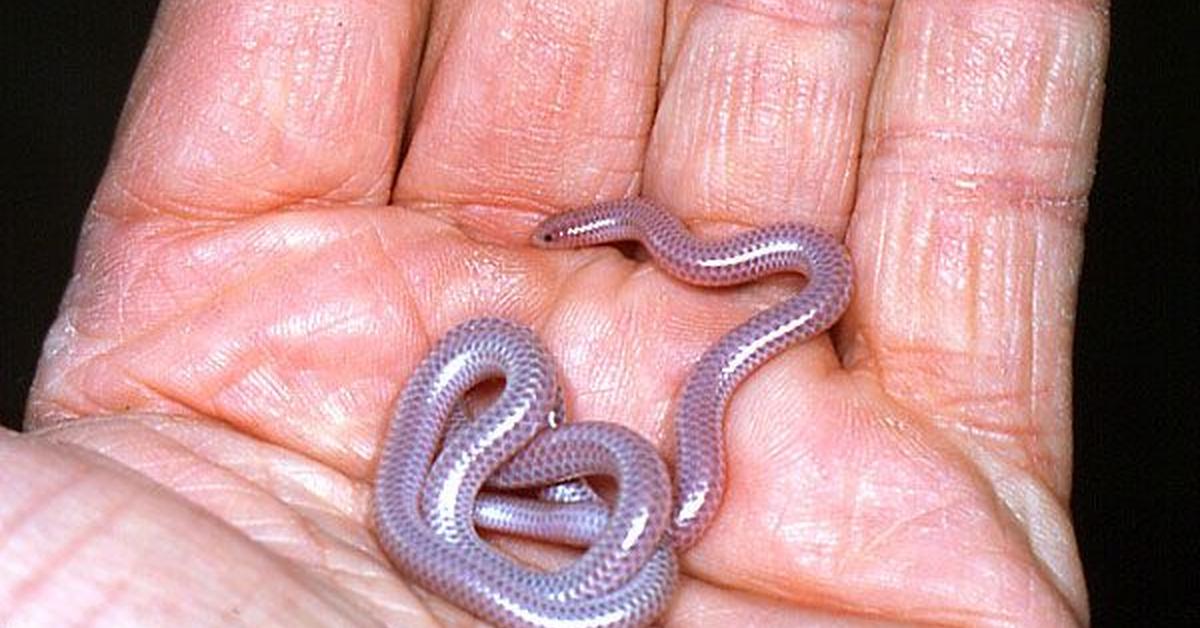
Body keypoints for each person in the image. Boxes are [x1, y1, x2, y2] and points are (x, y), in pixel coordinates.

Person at [1, 0, 1105, 624]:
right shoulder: (524, 455)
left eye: (578, 230)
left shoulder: (599, 435)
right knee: (550, 490)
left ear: (611, 229)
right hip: (508, 518)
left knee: (605, 477)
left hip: (510, 509)